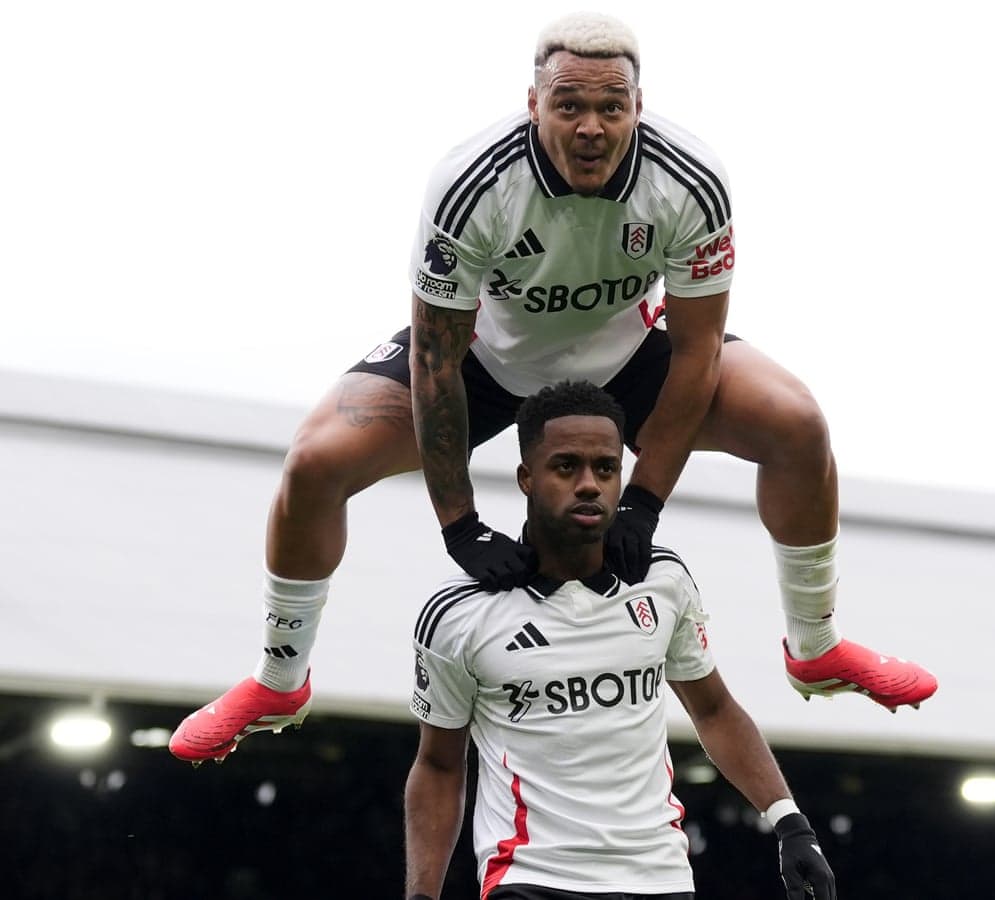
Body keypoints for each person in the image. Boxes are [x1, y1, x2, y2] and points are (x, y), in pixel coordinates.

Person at [169, 11, 935, 766]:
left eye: (612, 107)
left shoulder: (690, 181)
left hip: (626, 358)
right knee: (313, 463)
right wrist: (461, 526)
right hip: (484, 361)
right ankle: (279, 681)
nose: (591, 128)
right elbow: (434, 361)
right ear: (534, 103)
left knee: (798, 424)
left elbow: (697, 351)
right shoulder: (472, 183)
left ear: (639, 106)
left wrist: (644, 503)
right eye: (569, 106)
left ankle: (816, 647)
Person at [404, 379, 836, 900]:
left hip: (660, 878)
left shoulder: (663, 580)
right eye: (567, 466)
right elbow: (439, 764)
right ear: (526, 477)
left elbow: (714, 710)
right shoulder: (460, 612)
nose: (589, 484)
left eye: (606, 468)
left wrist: (790, 823)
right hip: (532, 878)